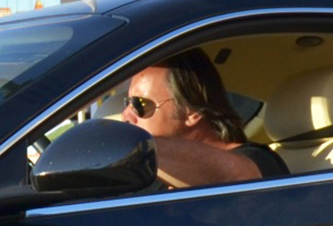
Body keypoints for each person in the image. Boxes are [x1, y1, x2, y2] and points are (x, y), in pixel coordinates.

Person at [118, 50, 290, 188]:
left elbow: (235, 177)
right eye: (127, 102)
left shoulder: (260, 161)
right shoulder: (158, 172)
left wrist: (130, 143)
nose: (125, 115)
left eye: (139, 104)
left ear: (192, 111)